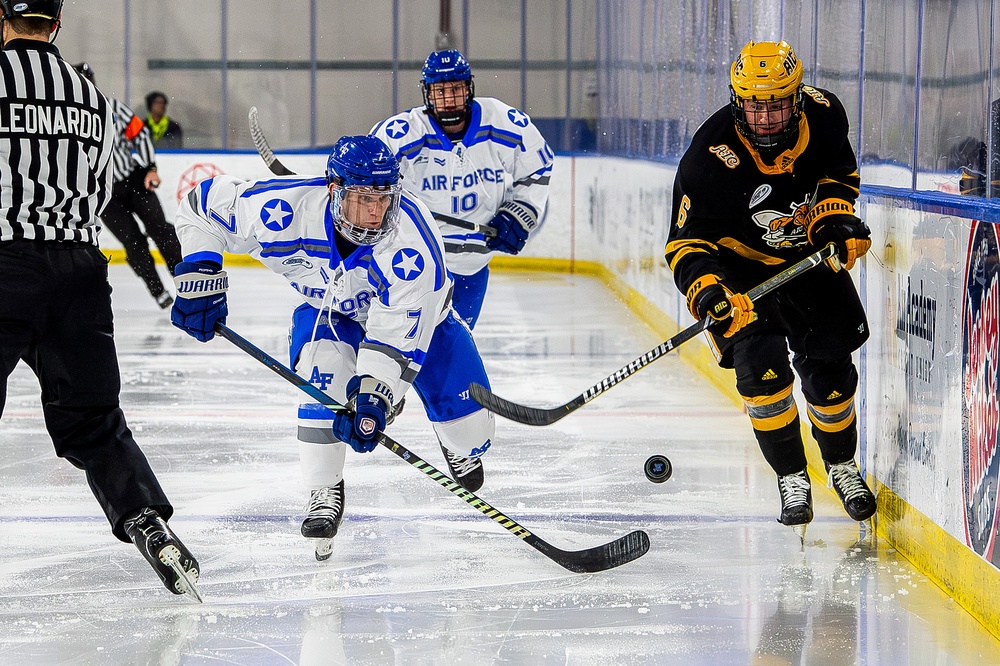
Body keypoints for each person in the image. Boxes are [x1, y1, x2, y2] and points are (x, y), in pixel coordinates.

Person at [170, 135, 496, 558]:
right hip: (331, 315)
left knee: (470, 433)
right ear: (334, 191)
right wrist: (201, 268)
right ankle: (324, 487)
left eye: (384, 200)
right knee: (323, 383)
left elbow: (398, 335)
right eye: (363, 199)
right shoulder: (283, 210)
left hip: (424, 324)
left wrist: (376, 396)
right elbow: (201, 206)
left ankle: (459, 446)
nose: (377, 213)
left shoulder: (413, 244)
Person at [0, 0, 199, 598]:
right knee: (94, 421)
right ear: (55, 25)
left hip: (3, 266)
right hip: (78, 274)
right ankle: (147, 522)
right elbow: (111, 182)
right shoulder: (96, 102)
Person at [664, 40, 877, 530]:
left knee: (829, 374)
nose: (764, 119)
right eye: (754, 106)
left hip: (807, 261)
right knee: (762, 378)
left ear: (797, 97)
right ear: (738, 101)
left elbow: (839, 176)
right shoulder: (707, 157)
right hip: (739, 273)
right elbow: (684, 245)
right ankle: (791, 476)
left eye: (777, 104)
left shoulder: (823, 117)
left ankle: (842, 466)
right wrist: (711, 293)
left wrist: (832, 224)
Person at [370, 49, 552, 329]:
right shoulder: (401, 134)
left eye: (456, 89)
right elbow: (367, 179)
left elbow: (538, 166)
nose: (449, 99)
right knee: (403, 340)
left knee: (454, 343)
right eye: (440, 91)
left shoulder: (503, 122)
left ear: (469, 88)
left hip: (472, 265)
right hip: (415, 260)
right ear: (427, 94)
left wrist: (520, 213)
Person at [73, 63, 182, 309]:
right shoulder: (67, 115)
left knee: (161, 230)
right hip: (104, 194)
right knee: (133, 243)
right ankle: (158, 290)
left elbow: (140, 135)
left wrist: (150, 168)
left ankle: (183, 278)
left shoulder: (110, 108)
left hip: (133, 179)